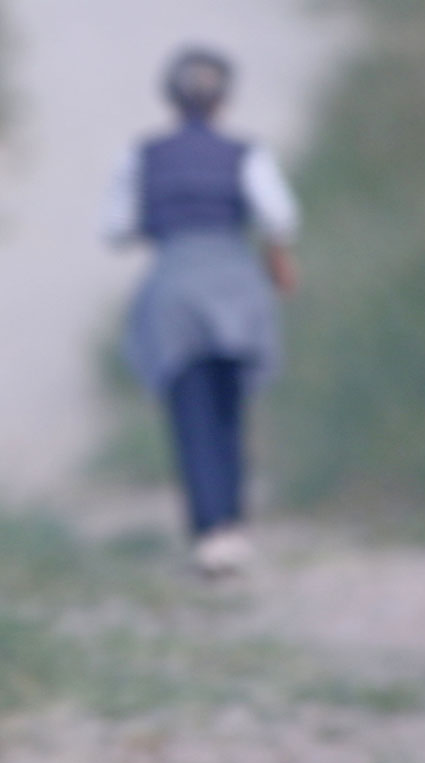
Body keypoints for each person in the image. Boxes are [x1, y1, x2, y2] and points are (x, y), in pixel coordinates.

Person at [102, 46, 300, 576]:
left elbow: (116, 229)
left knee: (190, 411)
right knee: (230, 408)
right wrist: (279, 262)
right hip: (235, 285)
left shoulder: (142, 155)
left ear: (170, 96)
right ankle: (233, 524)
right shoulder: (245, 153)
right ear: (224, 98)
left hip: (175, 286)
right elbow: (279, 217)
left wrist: (166, 223)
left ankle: (209, 531)